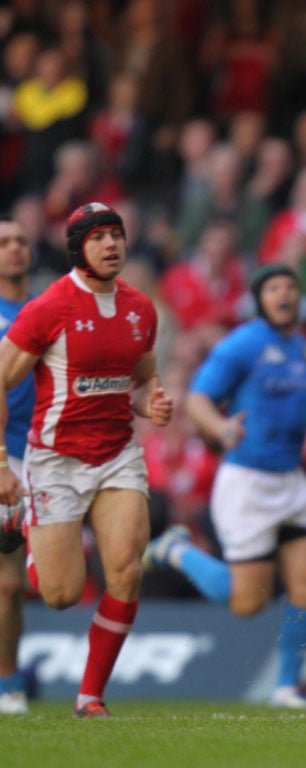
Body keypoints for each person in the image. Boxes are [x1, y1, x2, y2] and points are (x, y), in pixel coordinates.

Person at [0, 202, 173, 719]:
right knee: (59, 594)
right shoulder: (49, 307)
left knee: (125, 571)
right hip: (54, 460)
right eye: (98, 237)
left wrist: (153, 402)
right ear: (79, 248)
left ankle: (89, 696)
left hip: (118, 455)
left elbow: (142, 381)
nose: (111, 244)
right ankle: (31, 531)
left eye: (117, 234)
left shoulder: (142, 307)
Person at [143, 264, 306, 709]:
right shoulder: (242, 344)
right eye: (274, 288)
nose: (284, 294)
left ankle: (287, 687)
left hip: (291, 481)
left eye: (290, 287)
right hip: (246, 481)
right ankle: (174, 549)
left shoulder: (305, 350)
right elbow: (200, 399)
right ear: (260, 299)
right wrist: (221, 429)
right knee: (246, 602)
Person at [0, 217, 35, 714]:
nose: (14, 249)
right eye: (4, 242)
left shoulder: (45, 310)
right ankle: (8, 683)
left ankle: (8, 679)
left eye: (21, 241)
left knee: (19, 583)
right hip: (2, 452)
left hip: (39, 455)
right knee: (7, 581)